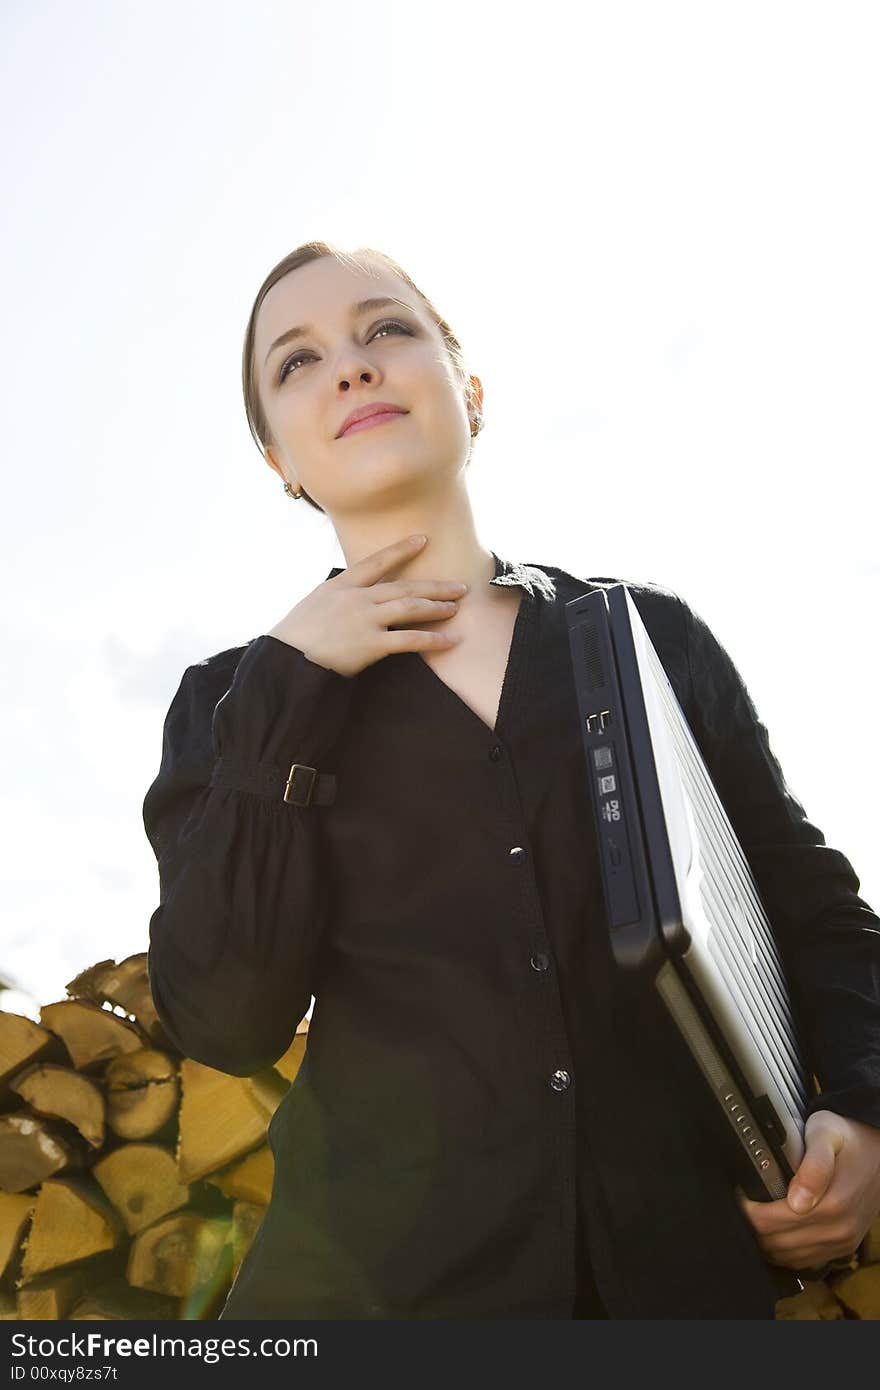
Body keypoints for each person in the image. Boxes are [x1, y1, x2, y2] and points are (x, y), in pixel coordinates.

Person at [143, 241, 880, 1320]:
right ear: (278, 462)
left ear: (469, 392)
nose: (349, 367)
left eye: (385, 329)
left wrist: (864, 1113)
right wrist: (289, 692)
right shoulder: (230, 704)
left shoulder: (648, 640)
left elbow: (812, 908)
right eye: (295, 363)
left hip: (670, 1291)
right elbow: (223, 1015)